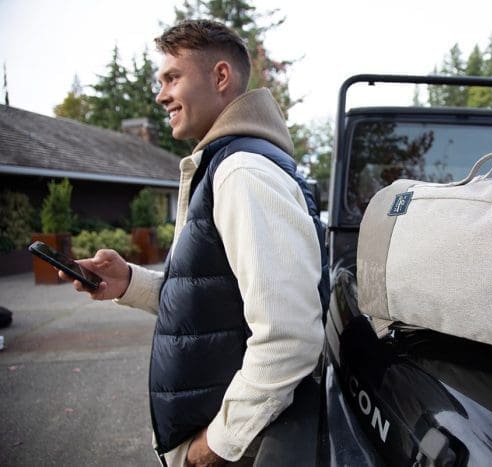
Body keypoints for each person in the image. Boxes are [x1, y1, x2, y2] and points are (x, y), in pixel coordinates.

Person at [60, 19, 328, 467]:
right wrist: (128, 282)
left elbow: (290, 336)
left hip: (241, 448)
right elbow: (216, 297)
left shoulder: (243, 173)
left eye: (172, 77)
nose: (160, 94)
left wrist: (215, 446)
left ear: (220, 77)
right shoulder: (229, 165)